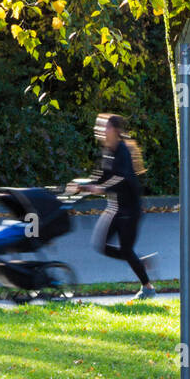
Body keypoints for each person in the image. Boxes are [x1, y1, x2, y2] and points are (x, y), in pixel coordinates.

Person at [72, 114, 156, 300]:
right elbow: (101, 177)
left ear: (116, 131)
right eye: (100, 127)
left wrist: (100, 188)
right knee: (100, 245)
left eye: (105, 127)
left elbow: (123, 178)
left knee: (126, 250)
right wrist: (83, 185)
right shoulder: (108, 151)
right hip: (115, 208)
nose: (101, 130)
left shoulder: (123, 151)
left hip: (130, 210)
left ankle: (148, 288)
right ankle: (139, 262)